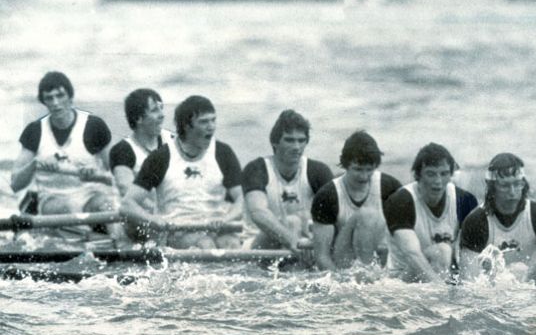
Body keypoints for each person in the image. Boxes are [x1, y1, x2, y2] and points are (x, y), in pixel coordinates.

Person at [120, 95, 243, 249]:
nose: (211, 127)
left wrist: (227, 219)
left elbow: (242, 199)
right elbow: (127, 205)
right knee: (206, 245)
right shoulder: (161, 158)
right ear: (186, 125)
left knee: (231, 244)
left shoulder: (223, 153)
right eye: (204, 122)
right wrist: (153, 220)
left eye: (213, 120)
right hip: (178, 232)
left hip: (217, 228)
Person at [10, 71, 114, 215]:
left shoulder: (94, 126)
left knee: (107, 205)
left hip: (91, 195)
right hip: (52, 199)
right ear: (43, 102)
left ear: (70, 97)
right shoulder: (34, 131)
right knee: (69, 207)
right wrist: (35, 164)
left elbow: (117, 176)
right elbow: (15, 184)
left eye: (60, 95)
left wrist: (97, 174)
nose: (56, 103)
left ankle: (117, 237)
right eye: (49, 98)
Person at [460, 153, 536, 286]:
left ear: (524, 184)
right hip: (494, 290)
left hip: (531, 286)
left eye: (517, 184)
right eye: (505, 186)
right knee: (517, 269)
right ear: (492, 188)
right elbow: (468, 281)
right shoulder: (476, 221)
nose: (512, 191)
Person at [241, 109, 333, 258]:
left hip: (303, 242)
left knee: (296, 222)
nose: (297, 147)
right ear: (275, 143)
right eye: (289, 140)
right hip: (258, 246)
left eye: (301, 140)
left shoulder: (318, 171)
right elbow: (258, 212)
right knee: (292, 222)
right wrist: (293, 241)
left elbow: (335, 213)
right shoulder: (256, 169)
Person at [383, 143, 478, 283]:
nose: (438, 182)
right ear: (418, 175)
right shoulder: (401, 201)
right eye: (431, 174)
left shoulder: (465, 201)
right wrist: (443, 291)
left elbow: (471, 254)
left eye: (444, 174)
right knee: (442, 251)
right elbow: (412, 253)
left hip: (442, 275)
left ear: (451, 174)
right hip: (402, 280)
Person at [311, 131, 402, 270]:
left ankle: (372, 276)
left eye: (369, 169)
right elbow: (322, 256)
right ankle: (366, 276)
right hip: (343, 260)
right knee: (367, 216)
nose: (364, 176)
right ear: (345, 165)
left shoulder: (390, 187)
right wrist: (338, 283)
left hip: (382, 256)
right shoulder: (327, 195)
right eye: (358, 169)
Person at [110, 88, 173, 199]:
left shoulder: (172, 141)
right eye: (154, 110)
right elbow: (127, 192)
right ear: (138, 118)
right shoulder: (122, 150)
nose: (162, 115)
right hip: (137, 212)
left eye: (161, 108)